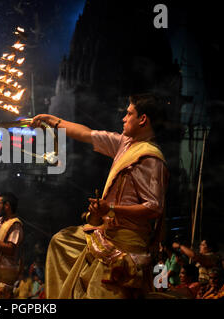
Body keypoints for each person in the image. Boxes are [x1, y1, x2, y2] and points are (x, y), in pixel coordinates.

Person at [32, 93, 169, 298]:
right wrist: (54, 121)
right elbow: (88, 134)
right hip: (106, 233)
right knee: (61, 241)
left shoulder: (151, 157)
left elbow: (154, 207)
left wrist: (111, 209)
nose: (124, 118)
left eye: (129, 113)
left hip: (125, 242)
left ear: (143, 119)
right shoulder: (126, 144)